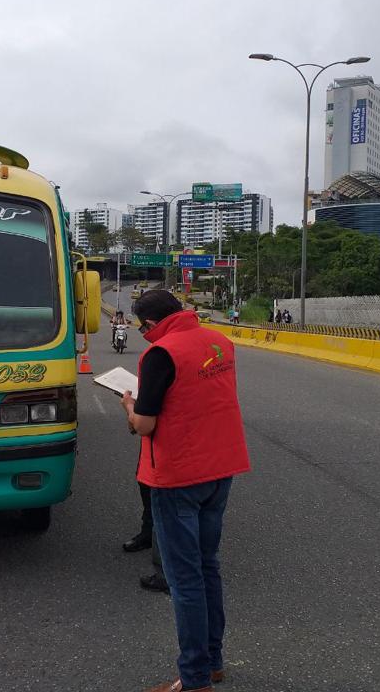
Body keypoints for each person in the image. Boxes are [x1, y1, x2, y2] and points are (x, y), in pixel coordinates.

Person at [122, 290, 250, 692]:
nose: (143, 334)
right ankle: (212, 663)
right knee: (208, 566)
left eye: (142, 328)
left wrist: (129, 407)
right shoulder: (219, 341)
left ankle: (194, 679)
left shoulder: (161, 354)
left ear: (151, 323)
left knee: (184, 579)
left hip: (178, 476)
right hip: (221, 468)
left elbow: (145, 425)